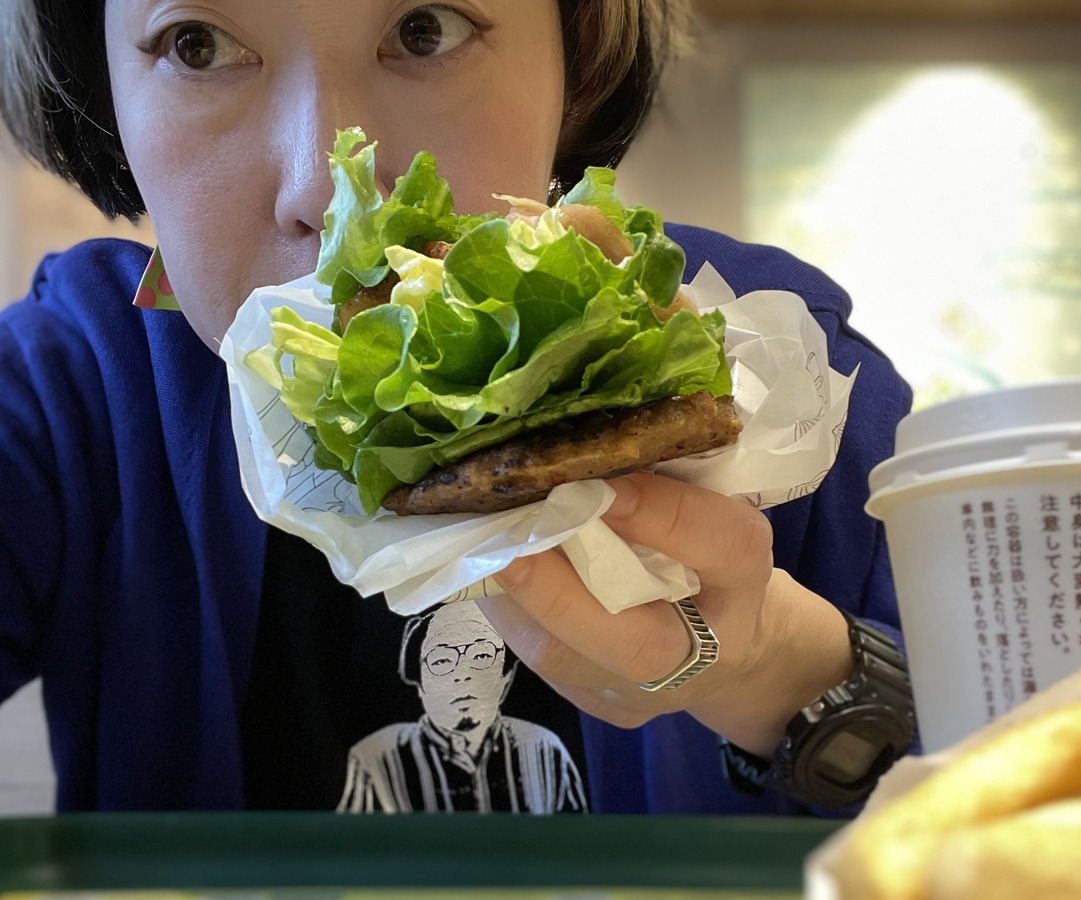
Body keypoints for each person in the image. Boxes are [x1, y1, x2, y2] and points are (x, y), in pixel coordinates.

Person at [0, 0, 914, 814]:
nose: (326, 190)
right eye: (196, 45)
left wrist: (778, 669)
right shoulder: (70, 388)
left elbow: (988, 758)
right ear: (100, 89)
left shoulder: (776, 368)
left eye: (424, 30)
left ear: (580, 60)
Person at [339, 600, 587, 813]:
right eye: (441, 660)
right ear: (420, 684)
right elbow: (351, 848)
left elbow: (579, 844)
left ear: (506, 678)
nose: (462, 674)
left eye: (481, 656)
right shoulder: (377, 758)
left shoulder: (543, 749)